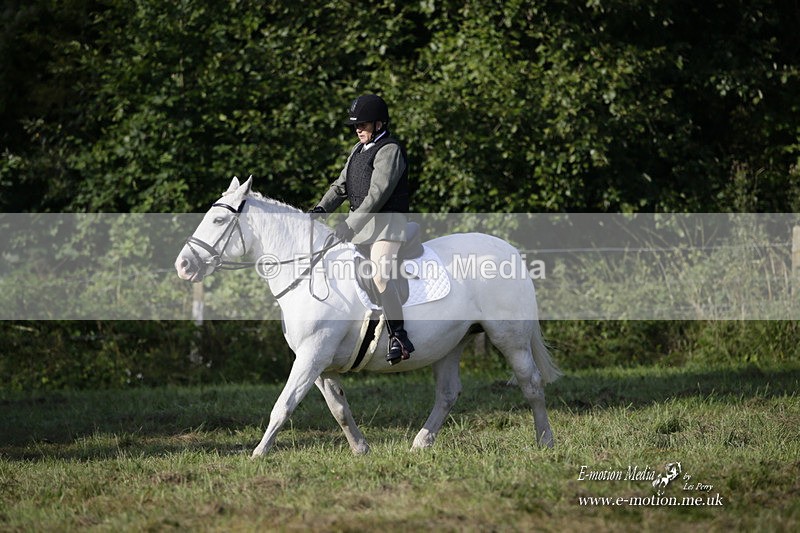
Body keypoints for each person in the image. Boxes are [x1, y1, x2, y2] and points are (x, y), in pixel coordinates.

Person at [310, 93, 414, 365]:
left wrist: (348, 225)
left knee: (380, 275)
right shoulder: (358, 151)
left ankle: (399, 336)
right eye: (356, 125)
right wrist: (321, 209)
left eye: (364, 124)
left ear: (379, 124)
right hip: (363, 228)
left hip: (388, 226)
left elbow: (376, 196)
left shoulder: (390, 150)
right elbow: (340, 186)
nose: (358, 129)